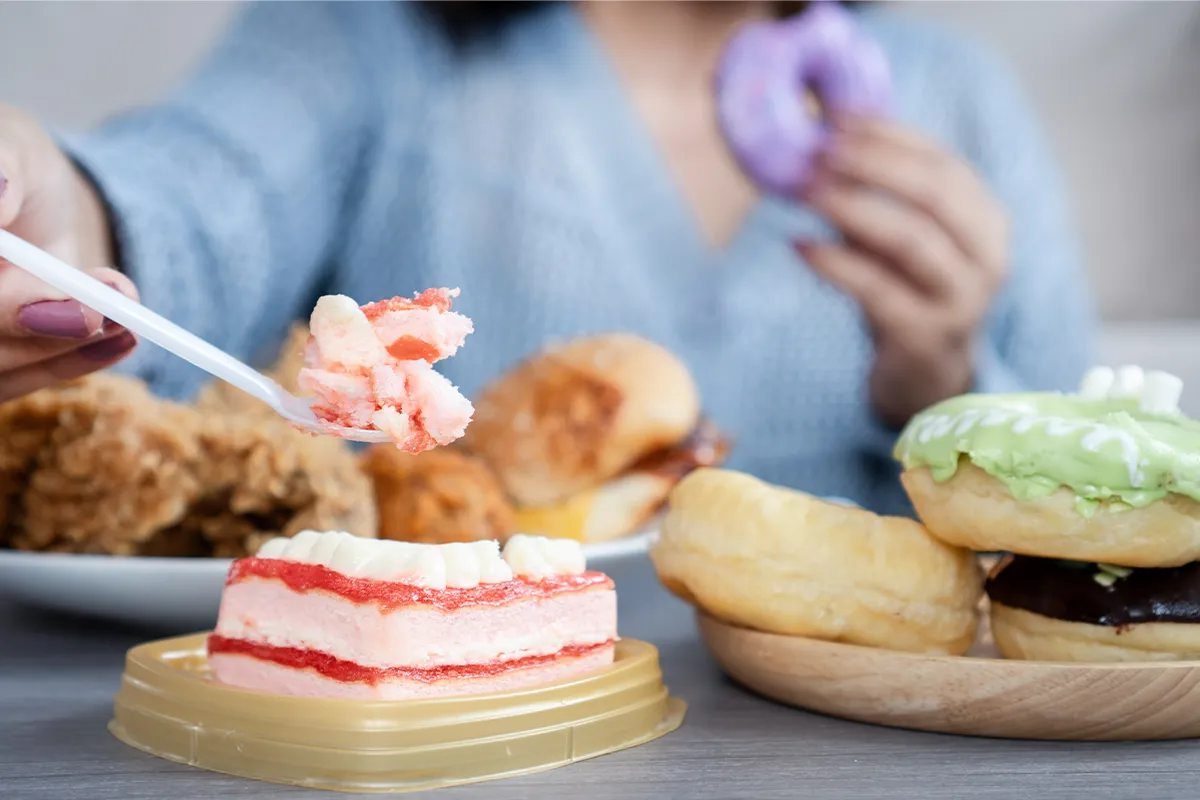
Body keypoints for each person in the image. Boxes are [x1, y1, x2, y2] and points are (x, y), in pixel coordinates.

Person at [0, 1, 1095, 514]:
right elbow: (199, 192)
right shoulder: (364, 42)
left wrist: (946, 388)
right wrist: (65, 216)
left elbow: (1090, 501)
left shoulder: (959, 98)